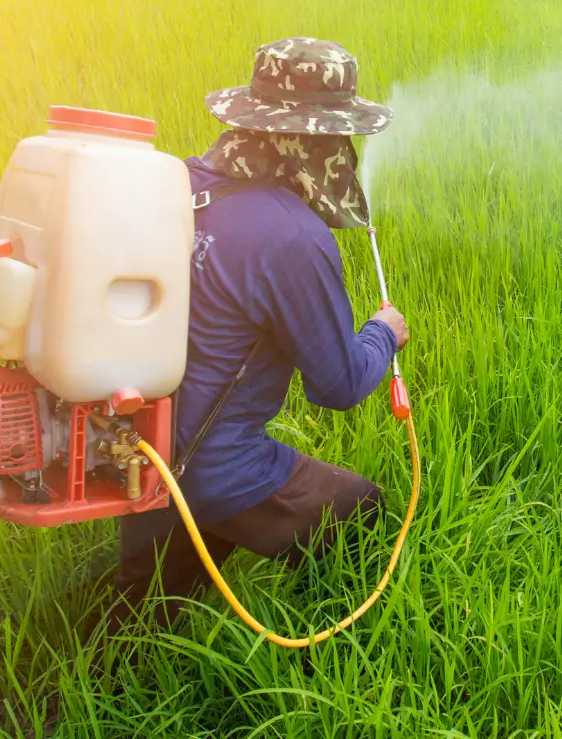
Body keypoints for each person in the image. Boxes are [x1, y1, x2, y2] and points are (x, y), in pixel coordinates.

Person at [106, 37, 407, 631]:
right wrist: (382, 334)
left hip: (135, 452)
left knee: (138, 625)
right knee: (363, 510)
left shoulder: (179, 183)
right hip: (214, 466)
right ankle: (337, 650)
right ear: (315, 141)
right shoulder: (293, 237)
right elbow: (338, 385)